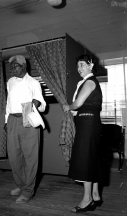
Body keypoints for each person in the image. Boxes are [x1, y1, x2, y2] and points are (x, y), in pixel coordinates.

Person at [63, 54, 103, 213]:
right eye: (78, 66)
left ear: (90, 65)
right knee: (91, 158)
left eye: (82, 65)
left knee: (85, 159)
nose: (79, 69)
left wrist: (68, 106)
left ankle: (87, 199)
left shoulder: (90, 82)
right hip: (90, 123)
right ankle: (95, 195)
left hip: (88, 123)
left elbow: (78, 103)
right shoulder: (90, 82)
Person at [5, 55, 46, 204]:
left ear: (23, 66)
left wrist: (36, 102)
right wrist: (6, 121)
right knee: (14, 157)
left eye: (15, 66)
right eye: (11, 67)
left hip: (28, 118)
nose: (12, 70)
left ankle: (28, 191)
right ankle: (20, 185)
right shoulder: (10, 82)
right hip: (12, 120)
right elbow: (8, 103)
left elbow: (43, 105)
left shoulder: (33, 82)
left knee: (30, 157)